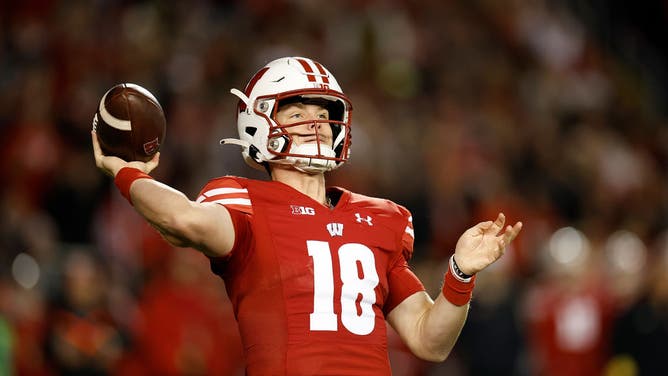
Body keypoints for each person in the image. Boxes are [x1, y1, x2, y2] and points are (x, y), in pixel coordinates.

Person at [92, 56, 522, 375]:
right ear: (258, 124)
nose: (315, 124)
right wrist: (126, 171)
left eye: (323, 115)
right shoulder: (244, 202)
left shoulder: (381, 218)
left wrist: (460, 273)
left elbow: (430, 340)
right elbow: (182, 219)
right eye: (296, 113)